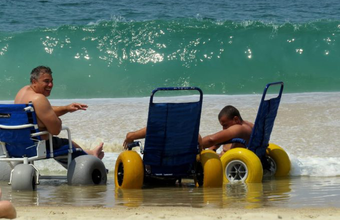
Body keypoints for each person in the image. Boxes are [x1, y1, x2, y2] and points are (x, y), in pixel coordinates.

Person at [14, 66, 104, 159]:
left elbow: (42, 110)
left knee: (59, 142)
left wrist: (66, 108)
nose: (50, 85)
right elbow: (55, 130)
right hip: (37, 146)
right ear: (34, 82)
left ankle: (91, 153)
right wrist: (58, 120)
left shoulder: (23, 92)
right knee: (65, 144)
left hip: (20, 143)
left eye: (51, 81)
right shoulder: (39, 99)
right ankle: (91, 159)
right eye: (46, 81)